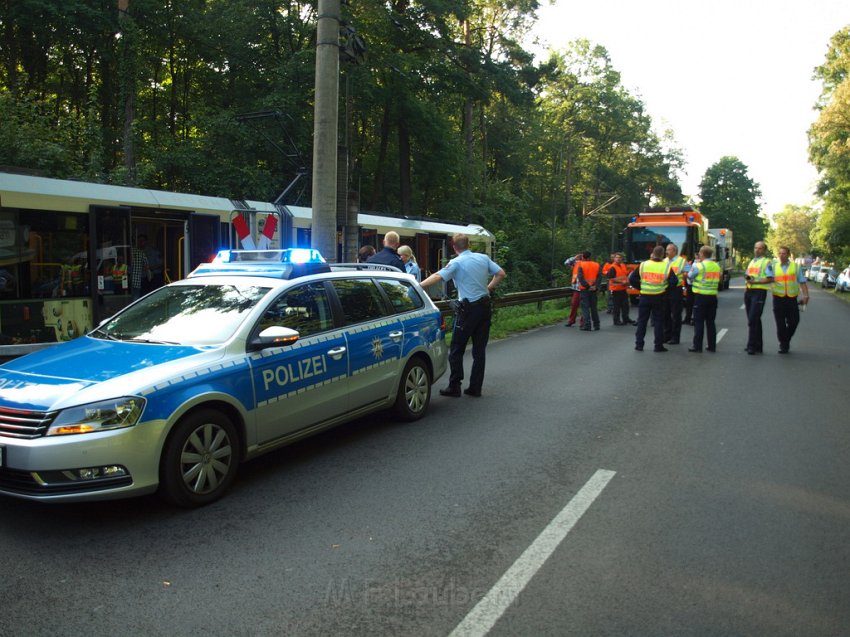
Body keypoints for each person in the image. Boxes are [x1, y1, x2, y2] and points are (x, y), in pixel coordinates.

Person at [420, 233, 506, 397]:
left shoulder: (456, 262)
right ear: (469, 244)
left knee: (456, 348)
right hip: (484, 307)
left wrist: (418, 286)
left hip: (468, 310)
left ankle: (455, 385)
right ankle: (475, 387)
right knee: (479, 350)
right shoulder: (483, 258)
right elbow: (501, 273)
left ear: (454, 247)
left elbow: (438, 276)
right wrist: (488, 288)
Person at [633, 245, 675, 352]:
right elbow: (674, 282)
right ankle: (658, 345)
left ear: (653, 253)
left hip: (645, 296)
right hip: (659, 296)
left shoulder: (643, 264)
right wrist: (665, 289)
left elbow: (632, 278)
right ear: (662, 255)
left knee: (642, 321)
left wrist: (640, 287)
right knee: (658, 322)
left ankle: (639, 344)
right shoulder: (666, 266)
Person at [772, 246, 809, 354]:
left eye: (784, 253)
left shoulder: (796, 267)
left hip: (792, 299)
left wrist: (806, 296)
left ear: (788, 255)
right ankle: (784, 345)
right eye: (780, 253)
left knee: (794, 321)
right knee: (780, 324)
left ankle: (785, 340)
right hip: (778, 298)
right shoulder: (773, 267)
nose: (781, 255)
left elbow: (802, 282)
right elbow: (767, 278)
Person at [688, 245, 722, 352]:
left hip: (700, 296)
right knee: (710, 322)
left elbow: (689, 276)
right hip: (712, 296)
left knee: (699, 322)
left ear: (702, 254)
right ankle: (712, 346)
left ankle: (697, 346)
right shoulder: (716, 266)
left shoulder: (699, 266)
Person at [744, 240, 774, 355]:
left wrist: (755, 282)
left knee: (753, 319)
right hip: (749, 291)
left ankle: (751, 346)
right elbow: (748, 276)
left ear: (764, 250)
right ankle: (758, 345)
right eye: (756, 247)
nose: (757, 250)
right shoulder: (752, 261)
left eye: (760, 248)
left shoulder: (766, 262)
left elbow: (770, 278)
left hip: (759, 291)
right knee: (754, 319)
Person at [663, 243, 687, 345]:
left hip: (676, 290)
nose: (666, 251)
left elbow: (688, 273)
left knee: (676, 314)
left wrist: (684, 277)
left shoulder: (682, 261)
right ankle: (666, 335)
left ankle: (675, 337)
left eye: (669, 250)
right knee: (665, 313)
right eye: (666, 250)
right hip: (665, 289)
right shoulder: (663, 261)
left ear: (674, 251)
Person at [606, 252, 634, 326]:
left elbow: (625, 276)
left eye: (619, 257)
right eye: (616, 257)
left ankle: (626, 318)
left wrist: (628, 282)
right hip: (616, 289)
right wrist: (622, 282)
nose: (618, 259)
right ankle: (616, 320)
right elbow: (611, 278)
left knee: (625, 305)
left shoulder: (623, 265)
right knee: (617, 306)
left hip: (623, 288)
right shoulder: (612, 267)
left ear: (622, 259)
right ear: (614, 259)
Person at [575, 250, 601, 331]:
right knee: (594, 307)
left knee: (585, 308)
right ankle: (597, 325)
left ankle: (587, 325)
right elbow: (599, 277)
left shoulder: (581, 265)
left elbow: (581, 278)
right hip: (593, 289)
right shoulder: (597, 265)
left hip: (584, 290)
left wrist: (587, 286)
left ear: (583, 256)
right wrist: (595, 286)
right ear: (590, 256)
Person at [563, 253, 584, 328]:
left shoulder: (587, 264)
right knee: (574, 305)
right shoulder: (575, 263)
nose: (580, 257)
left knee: (584, 306)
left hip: (584, 289)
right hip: (576, 288)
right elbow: (566, 263)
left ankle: (583, 322)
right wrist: (574, 258)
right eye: (580, 256)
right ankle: (571, 320)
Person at [130, 236, 151, 300]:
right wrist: (149, 277)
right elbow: (147, 267)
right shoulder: (141, 253)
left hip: (127, 280)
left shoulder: (127, 252)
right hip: (137, 280)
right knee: (136, 298)